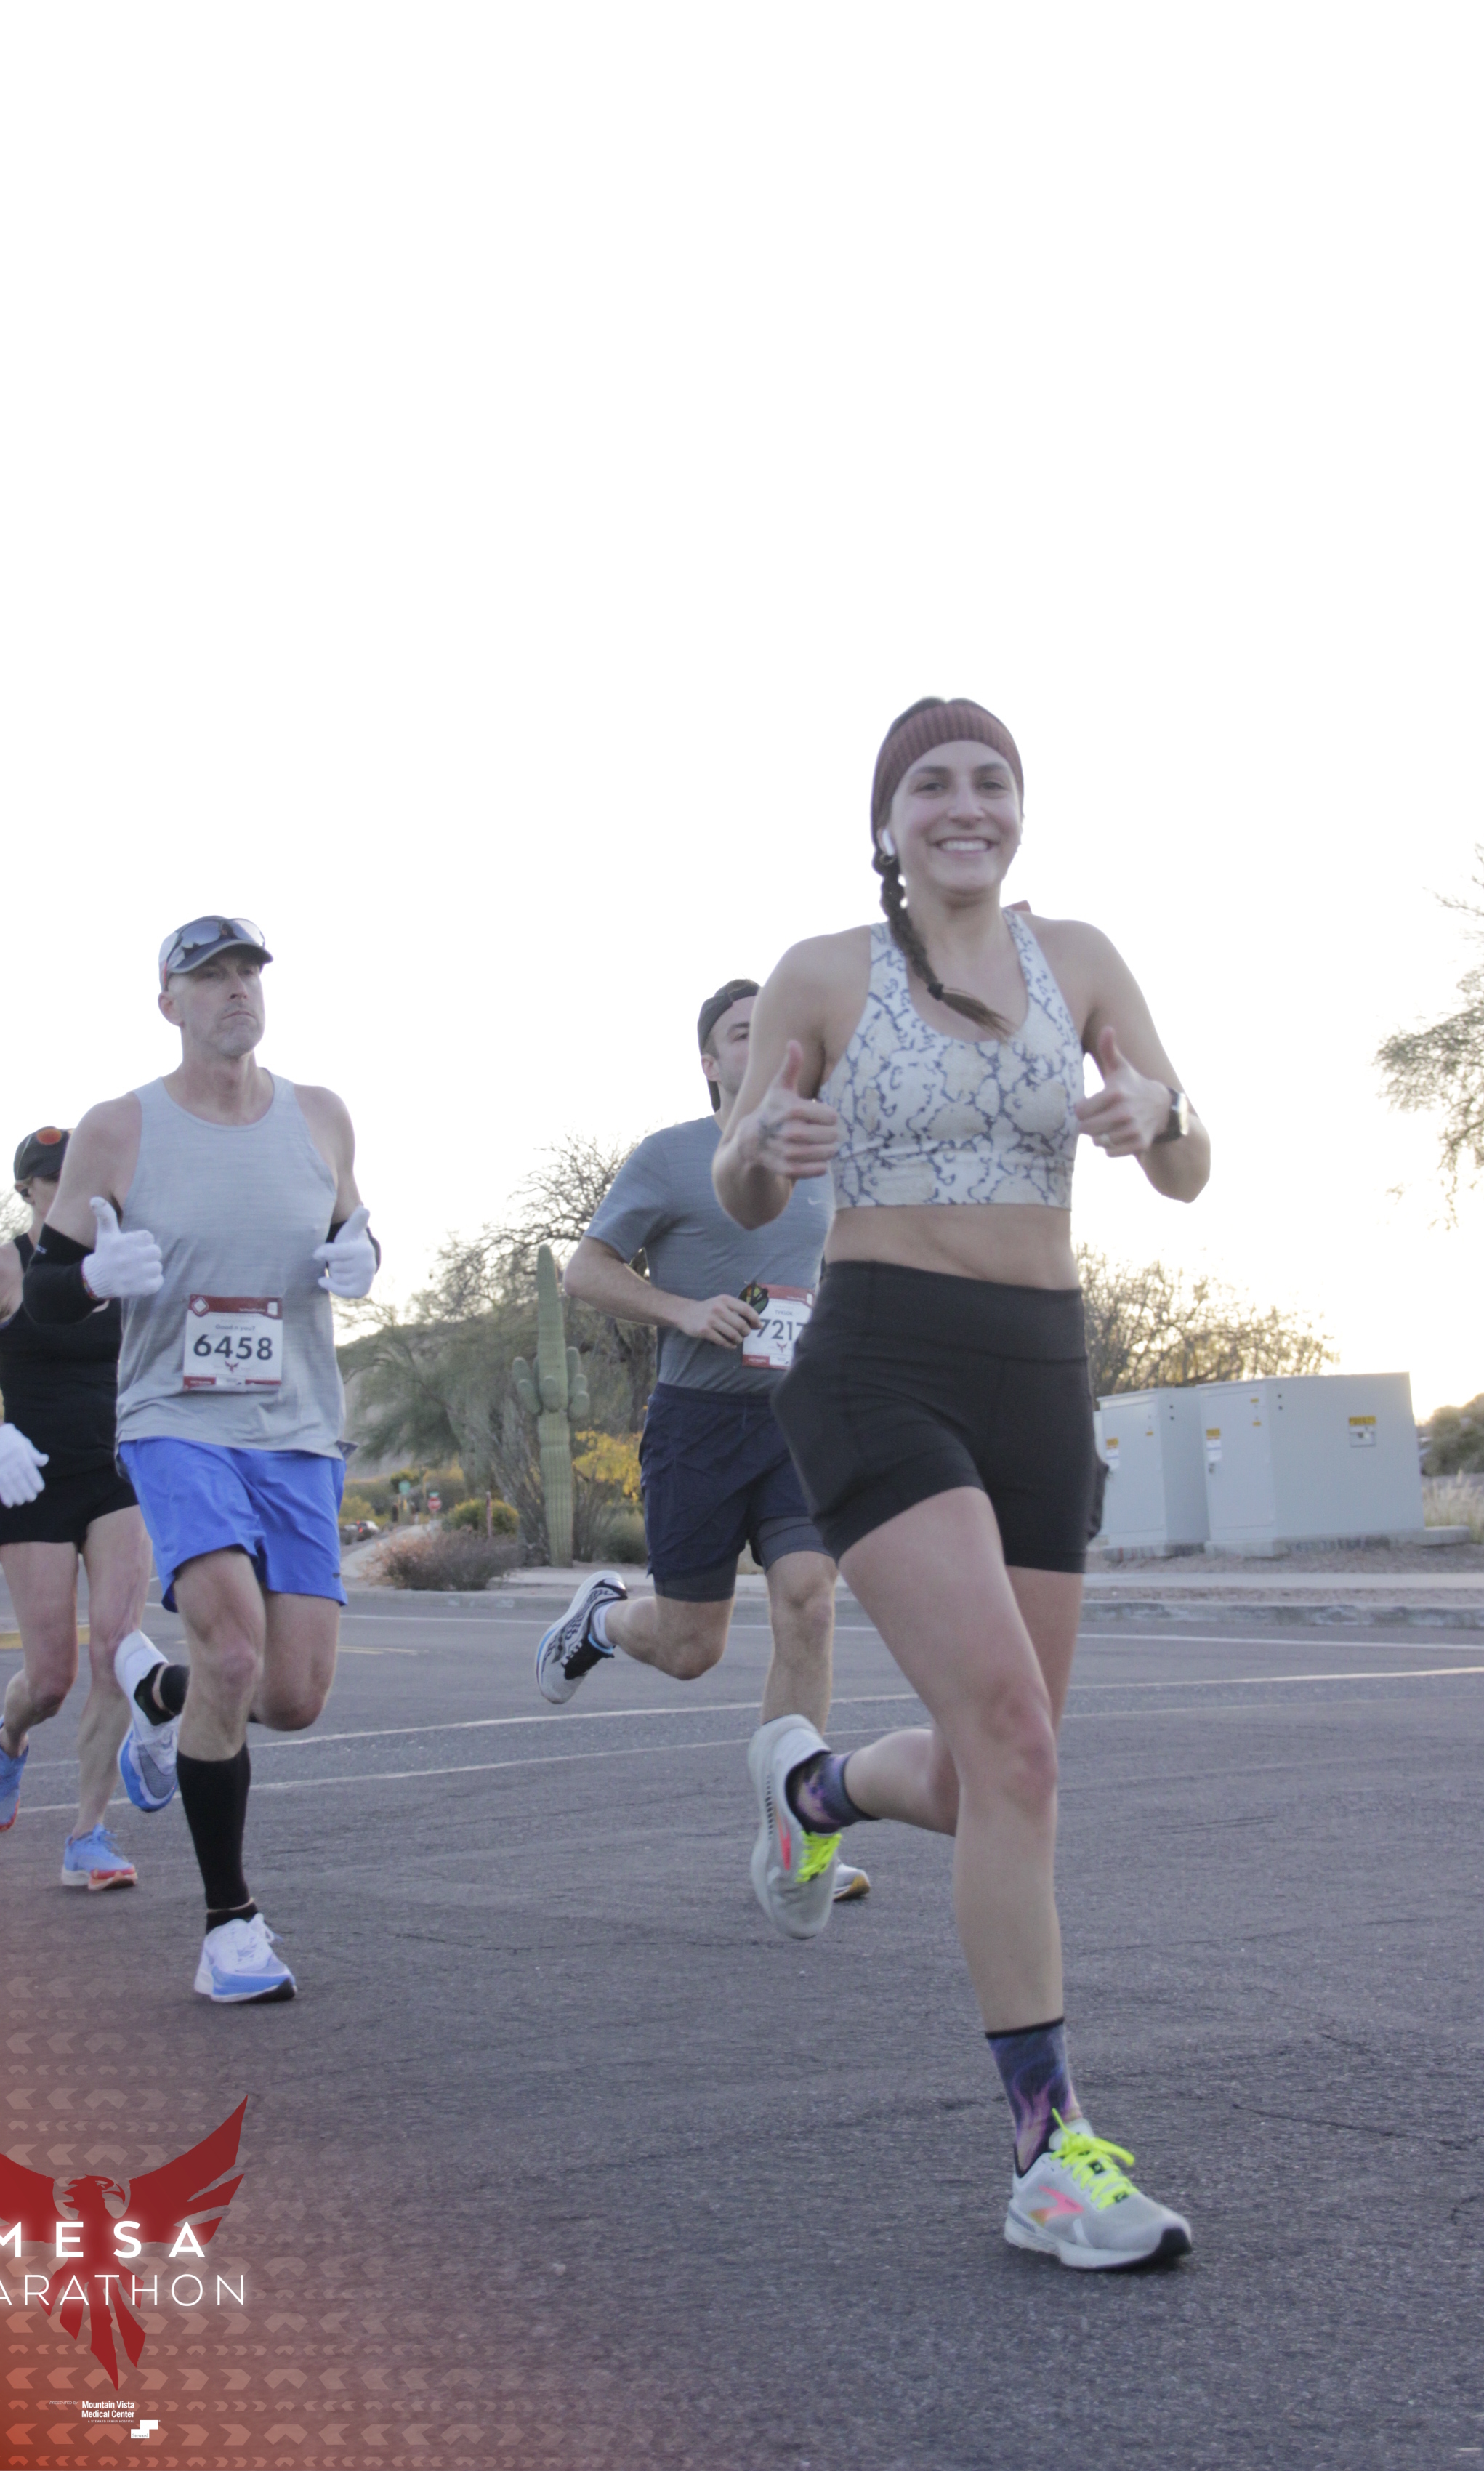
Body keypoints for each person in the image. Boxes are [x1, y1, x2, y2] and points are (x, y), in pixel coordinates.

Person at [713, 698, 1209, 2270]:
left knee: (1004, 1768)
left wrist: (1163, 1114)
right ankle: (1046, 2155)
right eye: (929, 783)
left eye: (990, 779)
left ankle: (812, 1792)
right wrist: (765, 1142)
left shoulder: (1082, 960)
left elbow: (1188, 1163)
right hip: (881, 1360)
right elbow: (741, 1180)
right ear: (888, 822)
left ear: (1019, 808)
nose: (963, 804)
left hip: (1041, 1368)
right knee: (1011, 1739)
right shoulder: (823, 974)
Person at [21, 917, 379, 2004]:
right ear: (168, 1002)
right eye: (210, 977)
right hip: (175, 1420)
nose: (235, 991)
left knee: (294, 1694)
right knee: (231, 1652)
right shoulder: (119, 1128)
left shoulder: (321, 1115)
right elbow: (45, 1289)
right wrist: (92, 1278)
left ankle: (157, 1695)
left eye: (247, 973)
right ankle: (231, 1929)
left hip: (299, 1428)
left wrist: (364, 1253)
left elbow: (356, 1227)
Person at [536, 981, 868, 1903]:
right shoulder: (672, 1157)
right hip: (698, 1424)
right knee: (691, 1649)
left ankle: (797, 1833)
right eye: (742, 1033)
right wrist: (683, 1310)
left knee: (810, 1603)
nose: (764, 1044)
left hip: (798, 1422)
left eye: (777, 1030)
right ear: (712, 1062)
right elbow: (585, 1271)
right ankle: (601, 1622)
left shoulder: (825, 1156)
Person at [0, 1125, 153, 1890]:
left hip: (116, 1474)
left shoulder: (122, 1261)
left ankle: (88, 1834)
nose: (71, 1191)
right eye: (54, 1179)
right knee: (51, 1681)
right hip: (32, 1482)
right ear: (27, 1189)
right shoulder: (1, 1270)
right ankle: (11, 1739)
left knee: (116, 1652)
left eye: (81, 1176)